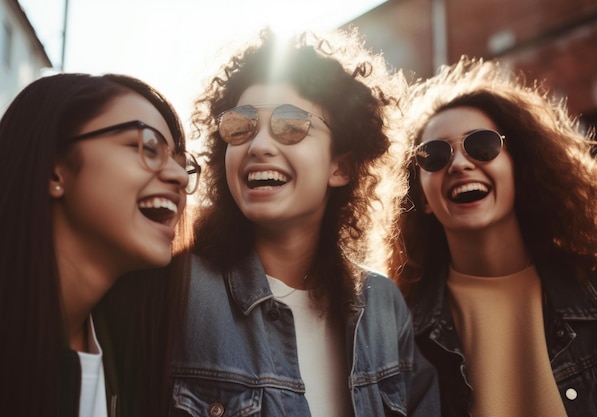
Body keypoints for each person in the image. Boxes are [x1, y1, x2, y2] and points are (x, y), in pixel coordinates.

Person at [170, 28, 440, 417]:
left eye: (292, 126)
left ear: (341, 166)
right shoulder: (178, 290)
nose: (259, 145)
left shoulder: (384, 308)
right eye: (239, 127)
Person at [390, 55, 597, 417]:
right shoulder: (399, 330)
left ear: (520, 167)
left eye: (481, 145)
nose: (460, 164)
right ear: (421, 196)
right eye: (434, 155)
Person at [0, 72, 200, 417]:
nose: (180, 177)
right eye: (149, 146)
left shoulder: (136, 359)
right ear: (55, 170)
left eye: (183, 165)